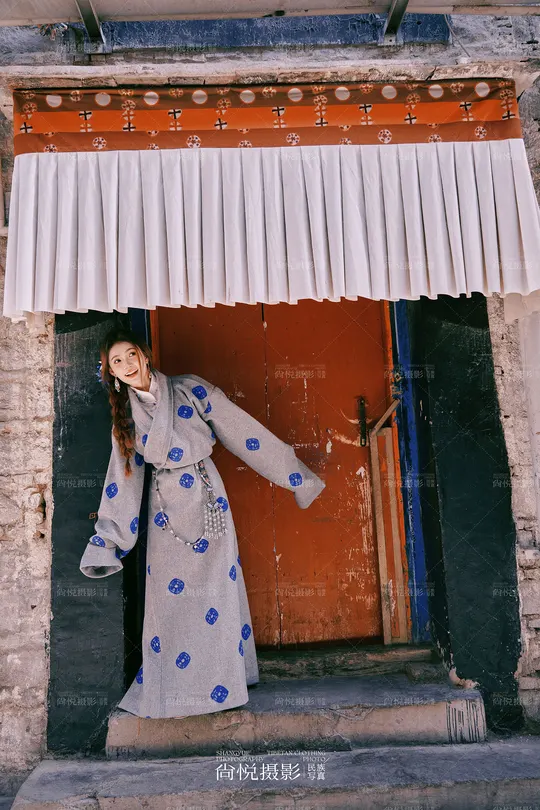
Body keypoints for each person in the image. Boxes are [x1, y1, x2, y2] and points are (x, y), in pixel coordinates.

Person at [79, 326, 326, 720]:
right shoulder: (125, 417)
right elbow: (121, 479)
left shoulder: (190, 389)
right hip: (165, 511)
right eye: (116, 361)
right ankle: (176, 689)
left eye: (130, 355)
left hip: (207, 499)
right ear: (110, 372)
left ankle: (225, 682)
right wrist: (107, 541)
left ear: (144, 354)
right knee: (169, 600)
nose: (126, 365)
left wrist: (295, 476)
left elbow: (245, 434)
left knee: (216, 593)